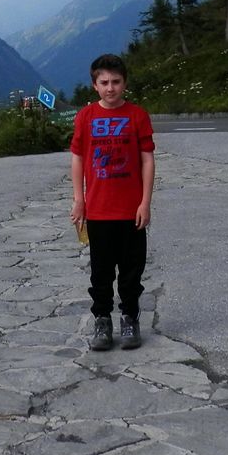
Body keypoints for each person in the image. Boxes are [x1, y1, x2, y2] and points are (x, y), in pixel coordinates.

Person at [69, 53, 155, 351]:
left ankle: (130, 318)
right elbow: (78, 159)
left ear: (125, 83)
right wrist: (79, 200)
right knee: (101, 272)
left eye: (116, 82)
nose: (110, 88)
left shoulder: (137, 115)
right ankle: (103, 320)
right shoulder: (86, 117)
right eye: (104, 82)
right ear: (94, 85)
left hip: (131, 211)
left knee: (132, 270)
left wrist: (145, 202)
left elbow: (147, 159)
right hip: (99, 211)